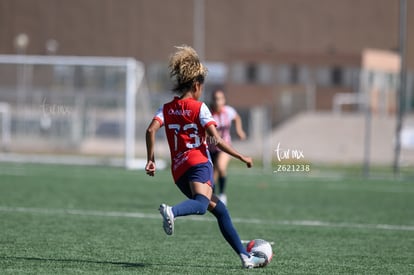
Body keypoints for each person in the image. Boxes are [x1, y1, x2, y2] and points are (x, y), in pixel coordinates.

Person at [145, 45, 265, 268]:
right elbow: (217, 140)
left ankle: (245, 257)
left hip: (179, 171)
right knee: (201, 205)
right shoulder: (200, 108)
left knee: (220, 211)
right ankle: (172, 211)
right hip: (199, 163)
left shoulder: (166, 108)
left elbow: (150, 130)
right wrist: (242, 157)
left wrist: (150, 159)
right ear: (197, 85)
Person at [209, 89, 246, 205]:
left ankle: (223, 194)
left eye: (219, 99)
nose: (217, 102)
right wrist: (210, 135)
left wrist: (239, 130)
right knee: (210, 178)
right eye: (215, 99)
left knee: (221, 166)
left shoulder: (228, 111)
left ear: (224, 100)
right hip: (210, 149)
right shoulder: (208, 113)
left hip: (225, 147)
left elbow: (237, 118)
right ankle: (212, 198)